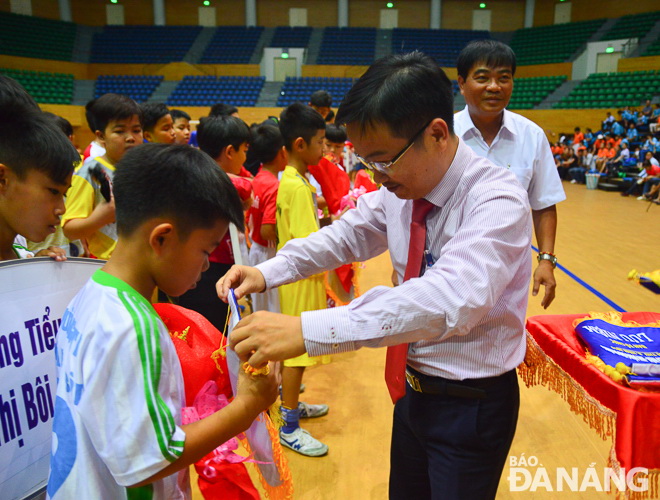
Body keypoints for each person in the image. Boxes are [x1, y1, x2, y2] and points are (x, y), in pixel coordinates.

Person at [217, 51, 532, 499]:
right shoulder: (403, 185)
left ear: (437, 133)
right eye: (367, 162)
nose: (377, 176)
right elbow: (348, 234)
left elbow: (448, 299)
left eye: (383, 160)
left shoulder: (496, 200)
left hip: (470, 406)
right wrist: (266, 272)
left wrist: (308, 329)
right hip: (411, 391)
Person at [47, 143, 278, 499]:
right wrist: (247, 405)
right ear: (162, 238)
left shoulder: (91, 293)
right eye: (205, 250)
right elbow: (148, 462)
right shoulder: (133, 326)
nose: (205, 266)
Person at [454, 40, 564, 308]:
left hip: (511, 270)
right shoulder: (443, 133)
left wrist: (546, 260)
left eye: (504, 78)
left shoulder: (532, 136)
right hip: (449, 265)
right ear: (461, 83)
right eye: (483, 78)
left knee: (504, 344)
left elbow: (543, 204)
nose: (495, 86)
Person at [274, 102, 331, 457]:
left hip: (300, 278)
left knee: (300, 350)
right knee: (295, 351)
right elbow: (310, 242)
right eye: (321, 142)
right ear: (299, 145)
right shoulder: (295, 187)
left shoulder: (297, 181)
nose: (324, 149)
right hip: (299, 278)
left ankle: (290, 405)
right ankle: (289, 426)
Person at [177, 115, 252, 332]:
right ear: (230, 151)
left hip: (203, 263)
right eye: (244, 150)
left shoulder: (197, 170)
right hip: (210, 267)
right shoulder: (211, 178)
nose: (245, 157)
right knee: (209, 331)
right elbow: (246, 189)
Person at [0, 87, 79, 262]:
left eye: (63, 194)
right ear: (2, 179)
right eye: (53, 191)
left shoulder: (23, 255)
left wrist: (34, 268)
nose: (62, 209)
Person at [62, 94, 143, 260]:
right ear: (100, 136)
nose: (130, 137)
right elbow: (69, 229)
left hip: (145, 264)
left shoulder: (145, 169)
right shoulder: (90, 173)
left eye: (136, 130)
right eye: (120, 131)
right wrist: (100, 218)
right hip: (108, 266)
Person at [246, 123, 287, 313]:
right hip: (267, 252)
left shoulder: (257, 178)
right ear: (282, 152)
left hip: (255, 249)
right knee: (272, 308)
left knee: (260, 305)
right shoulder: (274, 186)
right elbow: (267, 229)